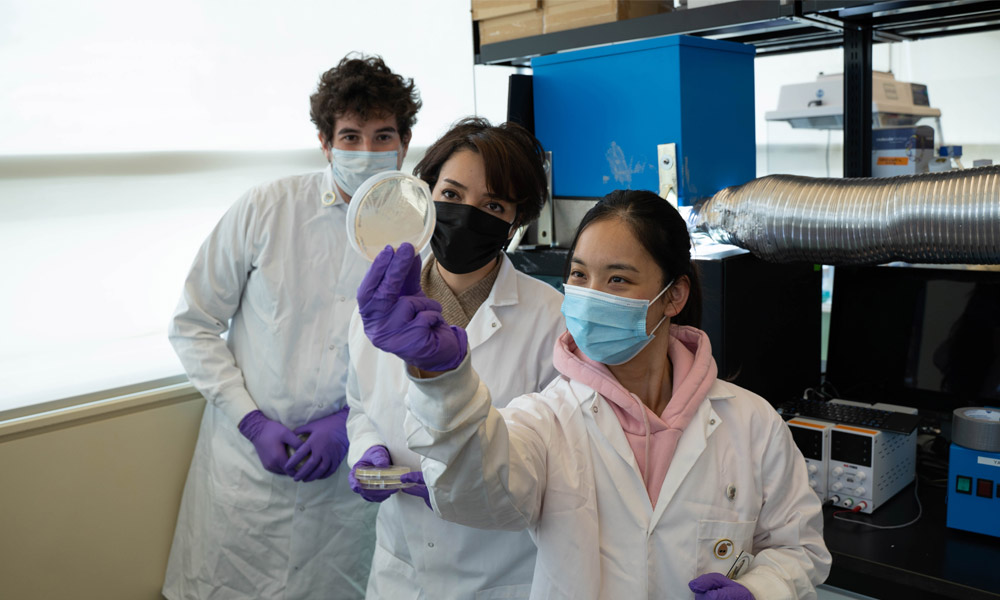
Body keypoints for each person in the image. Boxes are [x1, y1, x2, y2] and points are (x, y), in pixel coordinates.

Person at [357, 189, 832, 599]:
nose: (591, 294)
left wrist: (761, 590)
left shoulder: (751, 422)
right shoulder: (546, 418)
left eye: (618, 279)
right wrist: (443, 378)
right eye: (580, 276)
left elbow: (799, 548)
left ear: (674, 296)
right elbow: (475, 495)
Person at [163, 54, 421, 600]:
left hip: (343, 486)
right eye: (349, 136)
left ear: (404, 143)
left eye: (383, 136)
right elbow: (193, 324)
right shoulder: (266, 209)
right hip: (244, 476)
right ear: (324, 142)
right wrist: (252, 422)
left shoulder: (419, 234)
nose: (367, 151)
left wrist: (347, 423)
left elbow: (416, 357)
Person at [345, 117, 566, 599]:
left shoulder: (552, 322)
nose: (466, 216)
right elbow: (361, 405)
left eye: (493, 205)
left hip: (499, 577)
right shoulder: (379, 305)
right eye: (450, 194)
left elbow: (555, 469)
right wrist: (365, 450)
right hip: (400, 572)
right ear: (424, 196)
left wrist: (458, 483)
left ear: (516, 222)